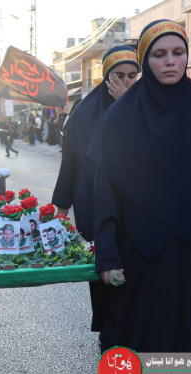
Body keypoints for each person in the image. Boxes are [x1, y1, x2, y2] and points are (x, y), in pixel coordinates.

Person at [88, 20, 191, 374]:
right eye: (159, 54)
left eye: (178, 53)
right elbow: (107, 191)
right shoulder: (121, 117)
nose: (170, 62)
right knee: (146, 336)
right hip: (143, 253)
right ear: (146, 60)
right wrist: (107, 254)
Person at [52, 45, 139, 336]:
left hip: (132, 202)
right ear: (106, 76)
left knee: (132, 263)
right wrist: (62, 206)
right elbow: (70, 161)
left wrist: (127, 105)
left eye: (132, 76)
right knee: (100, 261)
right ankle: (106, 325)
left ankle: (131, 324)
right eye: (118, 76)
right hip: (91, 199)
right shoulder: (84, 111)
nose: (125, 82)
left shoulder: (145, 108)